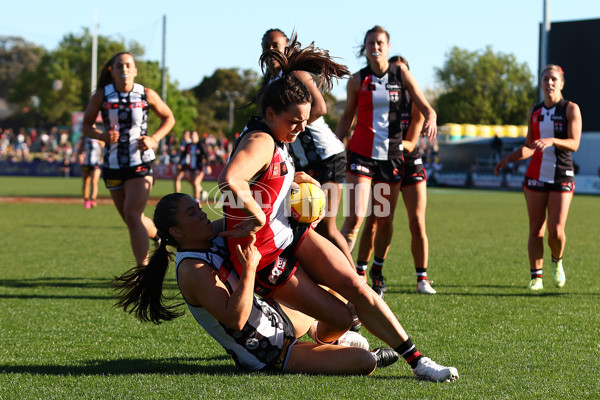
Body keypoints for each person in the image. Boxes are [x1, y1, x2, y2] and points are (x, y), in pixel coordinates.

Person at [218, 36, 458, 382]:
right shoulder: (262, 138)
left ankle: (419, 361)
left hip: (289, 234)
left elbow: (266, 177)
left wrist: (296, 179)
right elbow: (231, 179)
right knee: (343, 317)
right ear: (270, 114)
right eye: (294, 123)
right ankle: (325, 338)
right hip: (267, 254)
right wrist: (256, 215)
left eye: (304, 123)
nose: (300, 130)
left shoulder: (277, 135)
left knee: (358, 288)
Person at [113, 193, 398, 374]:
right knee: (364, 362)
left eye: (198, 208)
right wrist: (249, 269)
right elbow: (235, 320)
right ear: (177, 231)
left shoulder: (207, 236)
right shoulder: (192, 269)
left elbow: (247, 219)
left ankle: (330, 339)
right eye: (192, 214)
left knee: (334, 287)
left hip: (279, 319)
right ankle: (349, 351)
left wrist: (297, 201)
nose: (202, 214)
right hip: (270, 353)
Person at [334, 26, 437, 297]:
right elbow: (347, 117)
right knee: (355, 217)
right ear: (365, 47)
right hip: (360, 156)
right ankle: (343, 274)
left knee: (383, 219)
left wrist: (432, 116)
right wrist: (333, 145)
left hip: (390, 158)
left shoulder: (401, 74)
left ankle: (376, 270)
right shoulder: (357, 80)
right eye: (371, 43)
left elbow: (425, 106)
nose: (375, 47)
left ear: (388, 47)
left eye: (380, 42)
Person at [260, 29, 354, 268]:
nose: (271, 50)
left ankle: (357, 282)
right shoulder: (269, 83)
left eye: (276, 45)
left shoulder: (297, 74)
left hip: (327, 156)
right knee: (304, 225)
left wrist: (289, 126)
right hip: (302, 163)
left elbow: (320, 108)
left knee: (326, 226)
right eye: (266, 45)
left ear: (286, 48)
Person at [82, 52, 175, 266]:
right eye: (119, 66)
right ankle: (159, 236)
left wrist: (154, 138)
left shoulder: (146, 94)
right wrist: (101, 136)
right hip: (113, 164)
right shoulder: (102, 95)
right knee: (132, 218)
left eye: (128, 66)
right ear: (111, 71)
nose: (124, 69)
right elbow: (86, 126)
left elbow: (169, 118)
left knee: (132, 214)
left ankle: (143, 272)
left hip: (140, 161)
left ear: (135, 70)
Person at [494, 64, 581, 291]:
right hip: (535, 176)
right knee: (536, 229)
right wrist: (508, 159)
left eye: (554, 79)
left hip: (562, 175)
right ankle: (536, 277)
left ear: (561, 83)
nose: (549, 83)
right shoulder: (535, 112)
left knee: (556, 230)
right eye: (546, 79)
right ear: (541, 83)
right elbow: (530, 146)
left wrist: (552, 140)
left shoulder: (571, 109)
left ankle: (557, 261)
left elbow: (574, 143)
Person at [355, 55, 436, 295]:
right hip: (381, 162)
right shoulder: (378, 99)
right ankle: (364, 271)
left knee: (417, 222)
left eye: (402, 73)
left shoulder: (415, 102)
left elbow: (411, 141)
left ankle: (422, 278)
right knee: (374, 220)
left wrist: (388, 145)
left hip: (408, 162)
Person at [178, 130, 211, 203]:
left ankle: (197, 199)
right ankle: (201, 191)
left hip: (199, 167)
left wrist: (208, 166)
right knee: (189, 180)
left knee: (196, 183)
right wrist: (180, 163)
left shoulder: (200, 145)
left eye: (194, 135)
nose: (193, 137)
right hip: (190, 167)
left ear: (197, 136)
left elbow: (206, 155)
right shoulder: (188, 145)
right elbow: (183, 154)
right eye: (192, 135)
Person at [76, 135, 104, 208]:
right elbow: (80, 149)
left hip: (96, 163)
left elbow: (103, 148)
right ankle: (86, 200)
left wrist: (103, 157)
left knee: (94, 182)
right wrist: (79, 156)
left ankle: (93, 199)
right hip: (86, 163)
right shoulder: (84, 138)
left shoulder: (98, 137)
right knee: (86, 182)